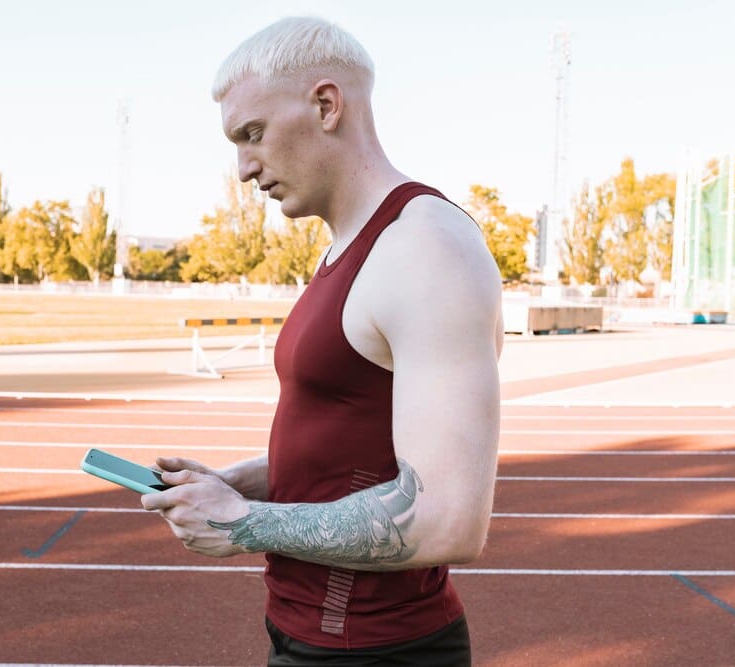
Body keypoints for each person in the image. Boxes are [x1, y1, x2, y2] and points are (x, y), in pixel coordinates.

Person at [141, 16, 503, 665]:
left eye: (253, 134)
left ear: (327, 105)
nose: (244, 168)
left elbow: (448, 517)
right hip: (306, 633)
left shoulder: (425, 247)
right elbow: (352, 443)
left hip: (379, 650)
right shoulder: (351, 245)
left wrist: (242, 522)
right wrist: (235, 483)